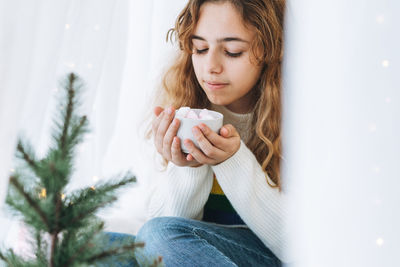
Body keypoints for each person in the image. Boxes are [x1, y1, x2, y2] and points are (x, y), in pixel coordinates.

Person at [135, 0, 289, 266]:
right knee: (94, 245)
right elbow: (168, 236)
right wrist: (188, 166)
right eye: (201, 48)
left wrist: (231, 160)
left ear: (270, 51)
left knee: (154, 236)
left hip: (269, 256)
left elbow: (299, 245)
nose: (211, 67)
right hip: (203, 252)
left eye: (232, 51)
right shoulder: (184, 105)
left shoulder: (296, 119)